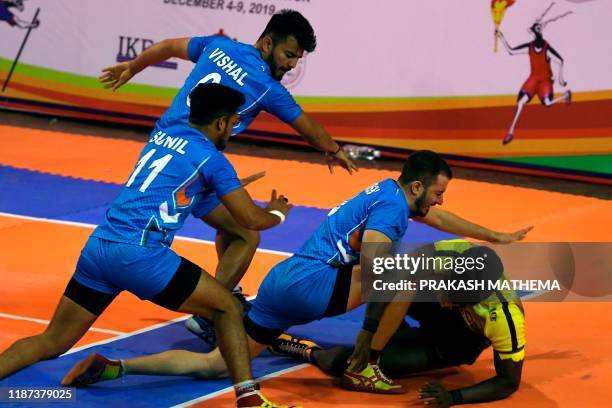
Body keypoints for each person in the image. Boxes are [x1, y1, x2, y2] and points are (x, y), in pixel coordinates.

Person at [61, 151, 532, 398]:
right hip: (313, 286)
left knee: (217, 366)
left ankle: (116, 367)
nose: (441, 202)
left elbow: (440, 220)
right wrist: (374, 330)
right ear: (417, 187)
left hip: (282, 281)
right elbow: (377, 263)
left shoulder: (388, 191)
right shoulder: (391, 211)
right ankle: (368, 367)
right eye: (438, 193)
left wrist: (497, 237)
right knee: (402, 275)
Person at [0, 83, 296, 408]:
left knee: (52, 341)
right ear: (222, 122)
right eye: (234, 121)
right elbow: (250, 221)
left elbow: (173, 189)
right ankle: (249, 398)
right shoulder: (212, 159)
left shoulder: (163, 136)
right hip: (139, 254)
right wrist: (278, 212)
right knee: (227, 307)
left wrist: (218, 188)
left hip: (99, 247)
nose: (234, 128)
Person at [99, 9, 357, 343]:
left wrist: (131, 67)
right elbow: (309, 129)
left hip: (162, 145)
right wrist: (334, 149)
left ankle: (221, 293)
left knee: (233, 231)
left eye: (298, 58)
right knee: (247, 233)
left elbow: (165, 47)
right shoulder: (266, 86)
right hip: (196, 163)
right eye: (289, 54)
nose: (292, 64)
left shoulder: (218, 46)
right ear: (267, 43)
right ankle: (210, 312)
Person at [281, 240, 525, 407]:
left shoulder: (505, 316)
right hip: (427, 306)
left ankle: (307, 351)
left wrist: (453, 397)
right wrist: (371, 338)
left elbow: (507, 382)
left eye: (456, 299)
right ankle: (279, 311)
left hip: (452, 342)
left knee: (340, 364)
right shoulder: (453, 253)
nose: (448, 300)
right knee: (386, 276)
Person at [497, 5, 573, 145]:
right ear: (532, 32)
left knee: (547, 103)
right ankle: (510, 132)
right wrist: (502, 38)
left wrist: (561, 80)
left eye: (540, 28)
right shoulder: (529, 47)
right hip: (533, 79)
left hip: (544, 81)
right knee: (520, 103)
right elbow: (511, 51)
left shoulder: (546, 48)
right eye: (536, 28)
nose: (539, 29)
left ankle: (565, 96)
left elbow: (560, 61)